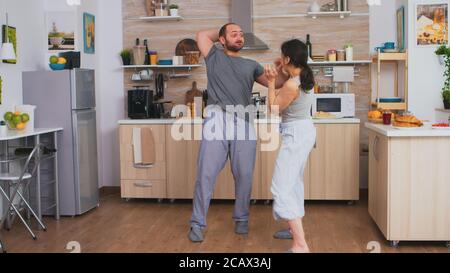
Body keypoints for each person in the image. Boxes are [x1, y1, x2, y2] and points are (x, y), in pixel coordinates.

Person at [189, 23, 288, 242]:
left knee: (244, 175)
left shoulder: (251, 65)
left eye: (242, 34)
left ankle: (242, 219)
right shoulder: (213, 55)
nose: (239, 37)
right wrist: (226, 28)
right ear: (222, 40)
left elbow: (278, 83)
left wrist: (284, 69)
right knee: (205, 174)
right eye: (234, 34)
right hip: (217, 119)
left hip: (243, 121)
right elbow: (202, 34)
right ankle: (197, 223)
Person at [264, 39, 316, 253]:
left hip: (296, 134)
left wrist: (270, 80)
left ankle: (300, 245)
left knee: (281, 186)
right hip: (304, 131)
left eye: (282, 56)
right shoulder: (304, 74)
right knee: (294, 182)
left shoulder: (291, 84)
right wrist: (282, 62)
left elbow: (274, 109)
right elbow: (293, 61)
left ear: (288, 59)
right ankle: (292, 228)